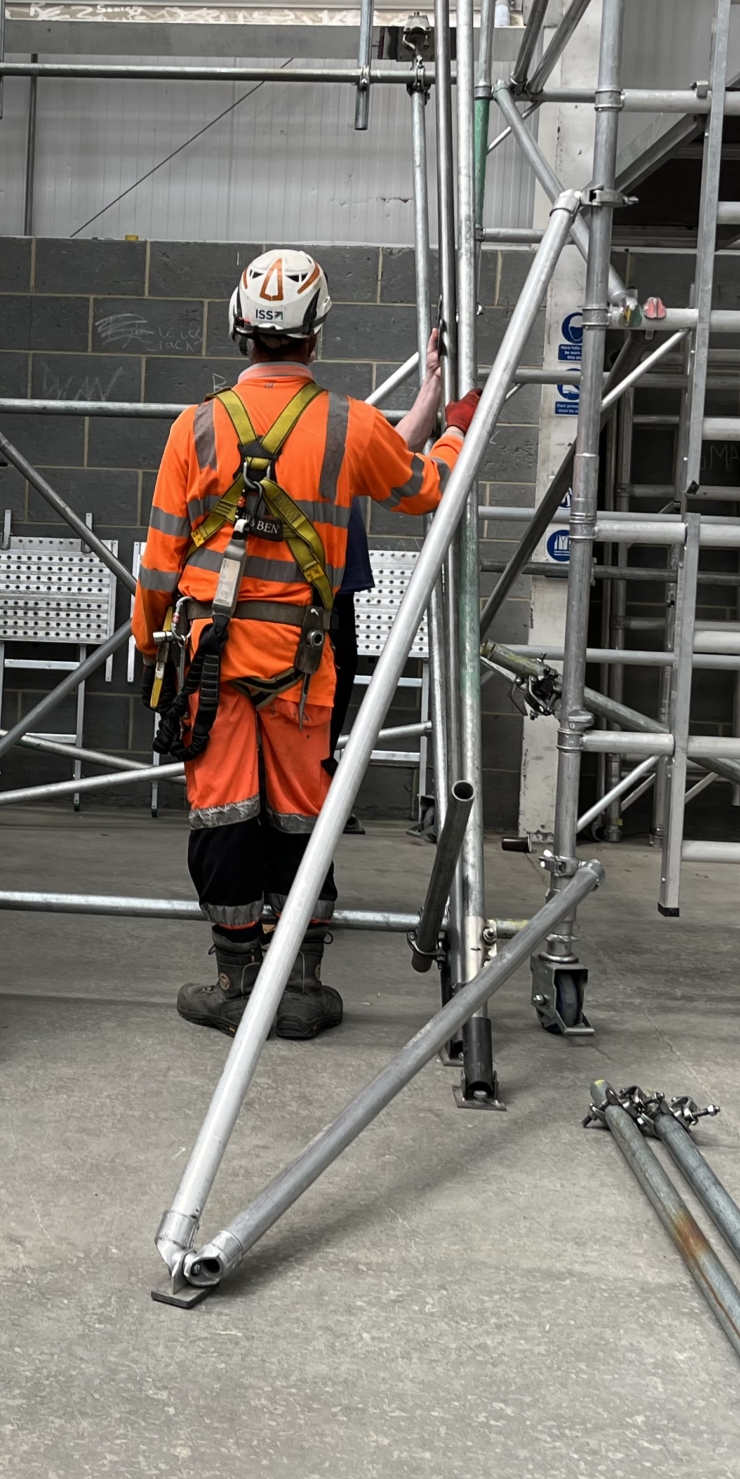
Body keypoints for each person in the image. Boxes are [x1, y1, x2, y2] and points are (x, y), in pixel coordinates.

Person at [135, 248, 477, 1040]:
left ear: (238, 332)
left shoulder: (196, 427)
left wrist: (151, 644)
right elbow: (425, 487)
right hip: (302, 662)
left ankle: (234, 980)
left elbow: (159, 556)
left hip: (208, 660)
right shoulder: (349, 424)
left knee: (222, 812)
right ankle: (302, 986)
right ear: (316, 337)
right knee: (301, 814)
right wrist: (455, 428)